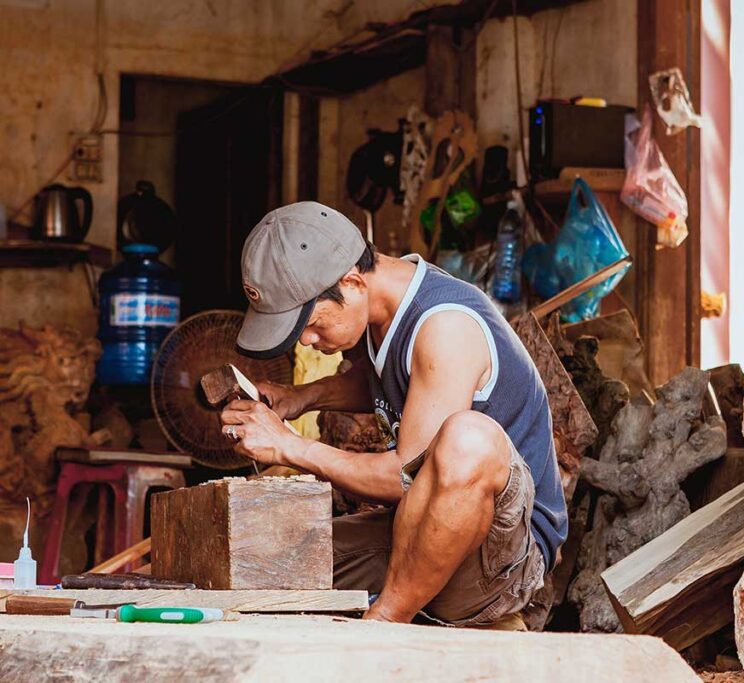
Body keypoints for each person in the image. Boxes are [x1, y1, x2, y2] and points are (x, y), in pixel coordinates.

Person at [220, 201, 566, 625]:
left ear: (350, 282)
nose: (306, 340)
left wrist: (288, 445)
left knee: (468, 440)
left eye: (311, 325)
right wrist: (300, 397)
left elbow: (403, 476)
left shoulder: (445, 327)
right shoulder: (389, 301)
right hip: (425, 529)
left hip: (505, 562)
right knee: (260, 556)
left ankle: (386, 622)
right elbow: (394, 376)